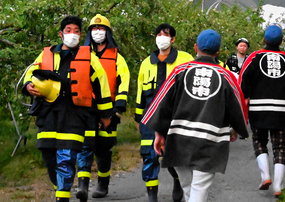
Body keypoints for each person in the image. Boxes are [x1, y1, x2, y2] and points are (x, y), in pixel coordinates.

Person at [142, 29, 249, 202]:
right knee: (198, 190)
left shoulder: (180, 71)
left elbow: (161, 104)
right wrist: (237, 129)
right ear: (218, 52)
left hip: (178, 141)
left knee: (188, 188)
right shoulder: (226, 76)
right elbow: (239, 106)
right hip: (210, 143)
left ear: (195, 47)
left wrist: (158, 133)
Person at [22, 15, 113, 202]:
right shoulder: (47, 53)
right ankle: (60, 188)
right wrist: (28, 86)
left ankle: (62, 197)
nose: (73, 35)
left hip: (75, 114)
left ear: (81, 35)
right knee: (49, 157)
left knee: (66, 157)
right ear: (61, 34)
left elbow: (102, 85)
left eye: (77, 31)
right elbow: (30, 73)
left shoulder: (89, 58)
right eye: (69, 31)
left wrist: (106, 115)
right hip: (47, 113)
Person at [239, 24, 285, 197]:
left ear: (264, 39)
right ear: (281, 41)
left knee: (259, 141)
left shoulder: (253, 57)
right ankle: (278, 186)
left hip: (258, 109)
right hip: (282, 111)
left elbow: (243, 81)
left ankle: (265, 175)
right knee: (280, 147)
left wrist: (246, 97)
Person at [135, 23, 195, 202]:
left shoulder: (185, 60)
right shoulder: (146, 63)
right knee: (149, 156)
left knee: (174, 156)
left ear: (173, 39)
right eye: (158, 34)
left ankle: (177, 180)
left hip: (175, 116)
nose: (162, 37)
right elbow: (140, 93)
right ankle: (152, 195)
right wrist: (139, 118)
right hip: (149, 118)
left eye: (165, 34)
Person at [76, 14, 130, 200]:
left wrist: (118, 108)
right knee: (84, 146)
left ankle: (103, 183)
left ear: (108, 32)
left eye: (101, 29)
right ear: (89, 32)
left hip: (108, 109)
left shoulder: (116, 57)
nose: (97, 32)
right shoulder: (81, 55)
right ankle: (82, 185)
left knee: (104, 148)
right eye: (94, 29)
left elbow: (124, 81)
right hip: (86, 109)